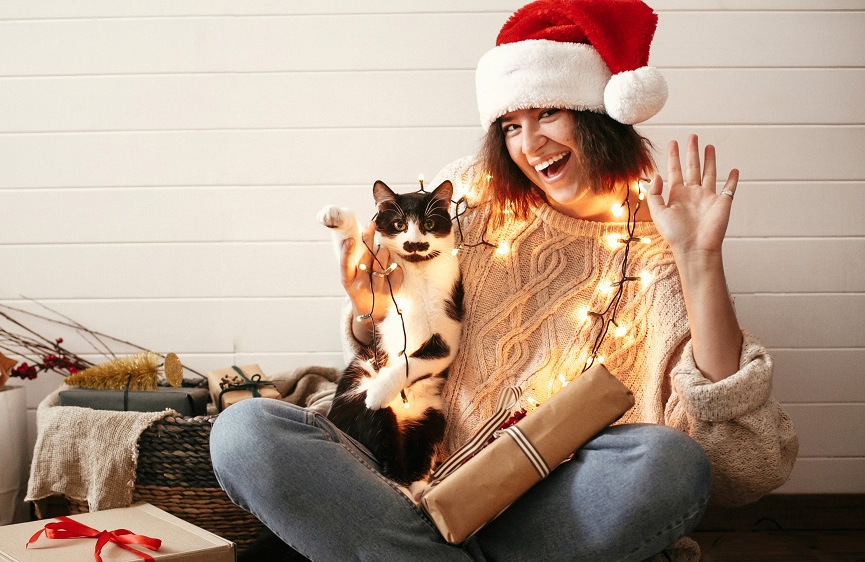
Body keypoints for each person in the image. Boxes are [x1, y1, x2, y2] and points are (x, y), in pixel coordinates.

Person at [210, 0, 798, 560]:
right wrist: (372, 311)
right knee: (244, 432)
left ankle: (390, 552)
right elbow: (402, 330)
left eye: (548, 113)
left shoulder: (655, 231)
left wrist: (699, 257)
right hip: (404, 476)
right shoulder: (474, 194)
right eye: (511, 125)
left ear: (599, 114)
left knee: (673, 465)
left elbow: (741, 453)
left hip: (538, 509)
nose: (530, 143)